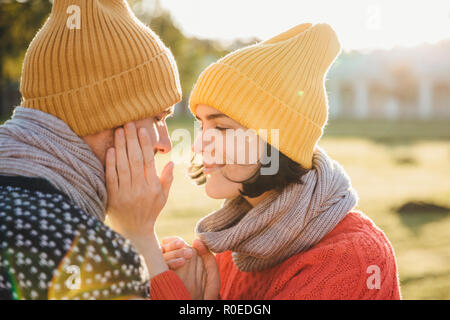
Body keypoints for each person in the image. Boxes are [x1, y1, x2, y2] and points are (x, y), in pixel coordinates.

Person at [108, 23, 402, 299]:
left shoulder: (353, 259)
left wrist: (139, 238)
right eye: (201, 125)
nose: (198, 145)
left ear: (276, 142)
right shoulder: (233, 247)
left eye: (221, 128)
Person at [0, 0, 183, 300]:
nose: (163, 143)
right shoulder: (95, 261)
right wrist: (138, 240)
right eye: (156, 118)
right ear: (103, 113)